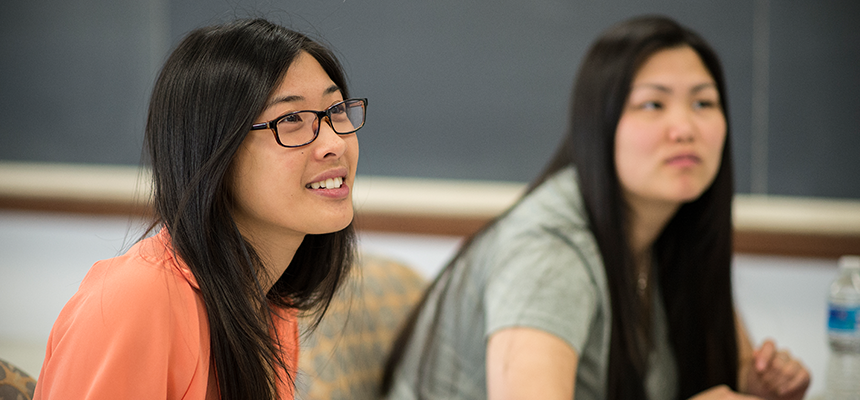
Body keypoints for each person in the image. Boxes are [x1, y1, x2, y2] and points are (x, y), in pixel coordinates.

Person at [382, 15, 809, 400]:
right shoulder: (549, 252)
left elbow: (727, 369)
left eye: (703, 103)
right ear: (599, 125)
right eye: (653, 104)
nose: (685, 128)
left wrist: (753, 386)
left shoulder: (674, 230)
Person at [34, 18, 367, 400]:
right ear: (214, 149)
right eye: (291, 119)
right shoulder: (137, 301)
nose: (335, 143)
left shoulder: (270, 305)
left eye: (337, 109)